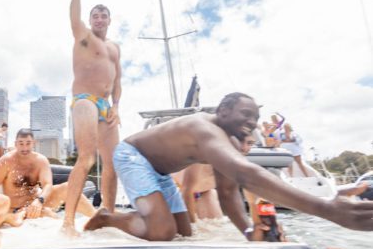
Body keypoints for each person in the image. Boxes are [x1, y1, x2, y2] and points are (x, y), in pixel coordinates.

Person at [84, 93, 373, 240]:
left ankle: (144, 215)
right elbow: (248, 174)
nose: (252, 122)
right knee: (162, 232)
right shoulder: (205, 129)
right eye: (246, 114)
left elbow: (228, 193)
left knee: (184, 233)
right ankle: (107, 217)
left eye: (255, 117)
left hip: (158, 171)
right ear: (223, 111)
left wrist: (248, 232)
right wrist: (327, 209)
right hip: (133, 155)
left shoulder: (230, 144)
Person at [64, 0, 122, 236]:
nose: (99, 19)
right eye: (95, 15)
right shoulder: (84, 37)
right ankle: (67, 222)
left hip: (106, 105)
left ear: (109, 20)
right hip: (85, 99)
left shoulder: (114, 48)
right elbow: (74, 18)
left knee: (114, 162)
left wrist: (117, 107)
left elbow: (118, 80)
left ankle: (107, 214)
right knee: (86, 157)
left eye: (103, 16)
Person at [0, 129, 95, 219]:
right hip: (15, 209)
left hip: (38, 202)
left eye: (28, 143)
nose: (24, 148)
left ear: (34, 143)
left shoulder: (40, 161)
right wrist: (0, 215)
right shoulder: (6, 162)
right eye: (21, 143)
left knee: (68, 187)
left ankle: (96, 217)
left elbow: (47, 185)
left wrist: (39, 200)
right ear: (16, 144)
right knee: (49, 215)